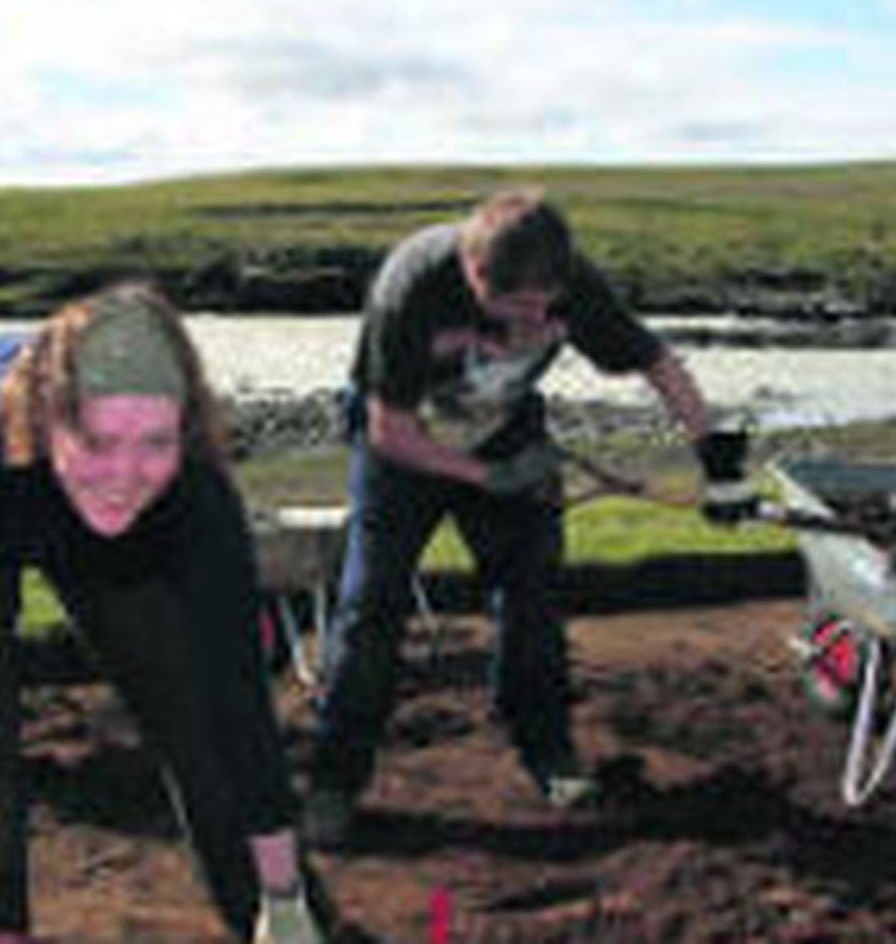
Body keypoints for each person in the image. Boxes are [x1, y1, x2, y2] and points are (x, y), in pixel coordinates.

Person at [0, 284, 325, 944]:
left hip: (98, 516)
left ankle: (279, 913)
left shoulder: (193, 489)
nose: (126, 472)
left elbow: (239, 702)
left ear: (183, 425)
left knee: (188, 702)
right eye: (101, 440)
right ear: (52, 417)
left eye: (154, 441)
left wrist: (284, 899)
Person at [303, 187, 754, 848]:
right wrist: (485, 477)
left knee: (534, 592)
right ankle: (334, 780)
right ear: (474, 274)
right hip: (403, 447)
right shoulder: (412, 287)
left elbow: (656, 362)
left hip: (505, 429)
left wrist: (716, 459)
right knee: (371, 605)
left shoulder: (568, 280)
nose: (537, 317)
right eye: (516, 306)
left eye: (546, 303)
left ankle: (548, 753)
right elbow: (389, 429)